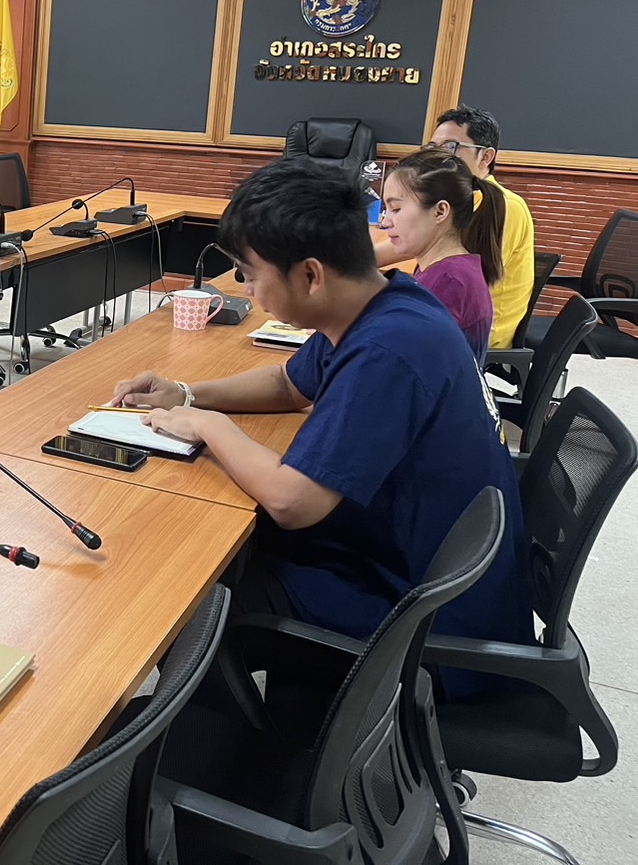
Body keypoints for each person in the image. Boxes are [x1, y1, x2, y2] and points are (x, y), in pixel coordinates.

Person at [110, 160, 529, 698]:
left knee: (195, 601)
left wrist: (210, 426)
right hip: (402, 560)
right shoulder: (386, 301)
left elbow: (293, 500)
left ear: (310, 275)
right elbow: (291, 385)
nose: (247, 287)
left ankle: (216, 759)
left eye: (252, 273)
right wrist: (186, 392)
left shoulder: (387, 349)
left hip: (423, 619)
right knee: (217, 553)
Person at [377, 106, 535, 350]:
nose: (440, 157)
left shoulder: (504, 206)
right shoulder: (462, 203)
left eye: (450, 147)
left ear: (486, 156)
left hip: (476, 333)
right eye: (433, 148)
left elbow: (458, 286)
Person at [380, 146, 505, 362]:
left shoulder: (449, 281)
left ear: (440, 211)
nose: (385, 222)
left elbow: (404, 362)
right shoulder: (445, 267)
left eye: (396, 209)